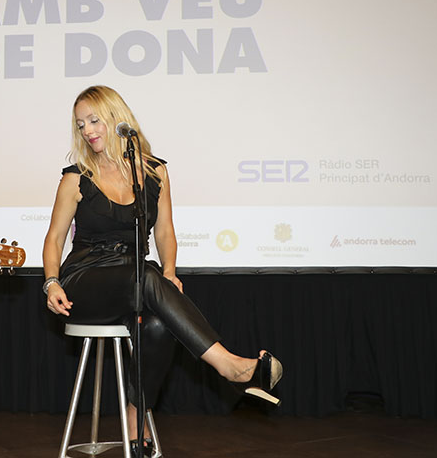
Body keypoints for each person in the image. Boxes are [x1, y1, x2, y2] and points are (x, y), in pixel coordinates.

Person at [42, 85, 283, 453]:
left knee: (157, 324)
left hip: (135, 279)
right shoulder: (76, 178)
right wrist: (51, 282)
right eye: (80, 124)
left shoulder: (155, 173)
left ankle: (135, 416)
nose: (87, 130)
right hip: (85, 280)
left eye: (94, 120)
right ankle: (230, 366)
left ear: (116, 119)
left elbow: (165, 231)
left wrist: (170, 271)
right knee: (145, 276)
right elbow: (55, 238)